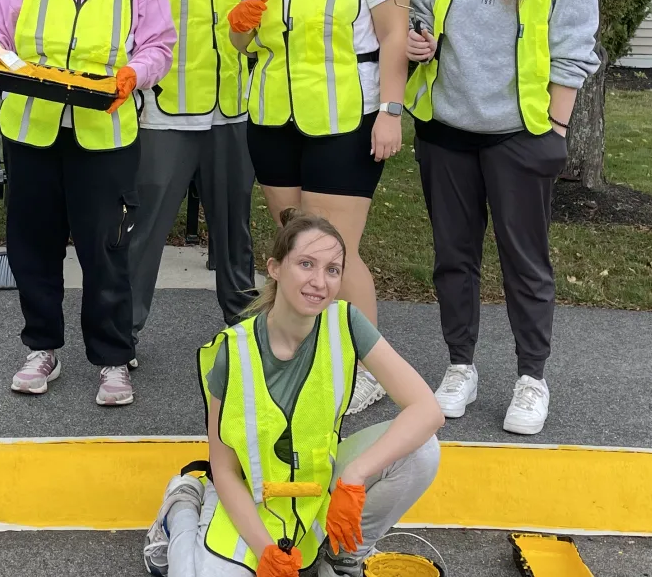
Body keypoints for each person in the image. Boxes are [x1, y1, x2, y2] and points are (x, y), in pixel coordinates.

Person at [404, 0, 600, 435]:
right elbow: (411, 4)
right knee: (453, 260)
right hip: (446, 130)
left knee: (525, 262)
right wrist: (418, 39)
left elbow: (574, 39)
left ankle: (531, 377)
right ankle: (460, 367)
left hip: (520, 133)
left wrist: (558, 125)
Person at [140, 209, 443, 577]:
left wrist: (356, 475)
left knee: (421, 450)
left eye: (332, 269)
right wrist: (264, 550)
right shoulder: (232, 354)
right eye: (305, 264)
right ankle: (183, 505)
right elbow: (224, 469)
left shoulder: (345, 322)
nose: (319, 281)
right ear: (275, 268)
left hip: (315, 494)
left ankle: (344, 557)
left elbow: (428, 410)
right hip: (253, 505)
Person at [0, 0, 177, 407]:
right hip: (31, 130)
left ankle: (112, 357)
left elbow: (159, 43)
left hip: (104, 134)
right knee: (32, 246)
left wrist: (136, 74)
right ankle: (42, 347)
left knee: (105, 248)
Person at [227, 0, 412, 416]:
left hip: (345, 120)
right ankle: (303, 353)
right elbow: (241, 39)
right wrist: (240, 22)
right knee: (296, 246)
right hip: (274, 119)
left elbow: (391, 37)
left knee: (337, 253)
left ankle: (368, 370)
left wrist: (390, 111)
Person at [125, 0, 267, 339]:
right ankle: (123, 334)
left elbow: (267, 28)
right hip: (164, 114)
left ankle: (245, 329)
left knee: (235, 235)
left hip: (231, 113)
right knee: (144, 231)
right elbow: (125, 25)